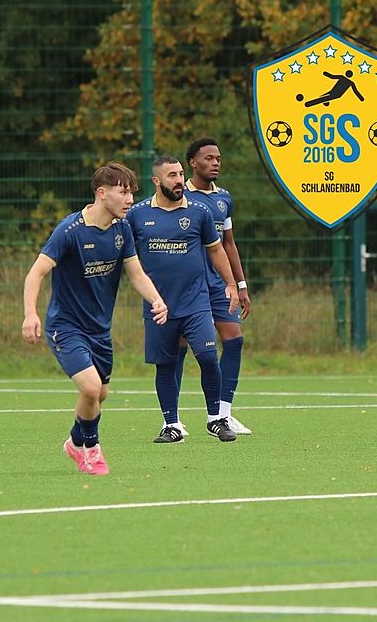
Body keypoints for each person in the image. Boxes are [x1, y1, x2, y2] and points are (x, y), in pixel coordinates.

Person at [22, 162, 168, 475]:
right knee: (90, 389)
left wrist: (156, 299)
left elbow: (136, 273)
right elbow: (36, 272)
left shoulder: (122, 228)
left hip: (99, 330)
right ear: (102, 194)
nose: (130, 199)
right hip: (66, 326)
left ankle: (75, 442)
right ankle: (91, 450)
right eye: (123, 192)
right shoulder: (70, 231)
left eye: (131, 193)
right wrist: (30, 314)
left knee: (100, 394)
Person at [126, 156, 240, 444]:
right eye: (171, 176)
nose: (179, 180)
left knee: (207, 357)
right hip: (158, 307)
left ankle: (216, 419)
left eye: (180, 174)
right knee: (165, 365)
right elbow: (122, 252)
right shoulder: (137, 215)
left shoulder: (199, 212)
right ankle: (172, 424)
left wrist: (231, 283)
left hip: (196, 302)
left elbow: (216, 250)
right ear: (156, 181)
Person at [175, 137, 252, 436]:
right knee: (179, 348)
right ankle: (173, 419)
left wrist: (241, 284)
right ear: (193, 163)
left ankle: (223, 414)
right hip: (190, 286)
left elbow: (228, 243)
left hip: (221, 285)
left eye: (218, 158)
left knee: (234, 340)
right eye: (208, 158)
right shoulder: (182, 197)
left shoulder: (224, 198)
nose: (215, 162)